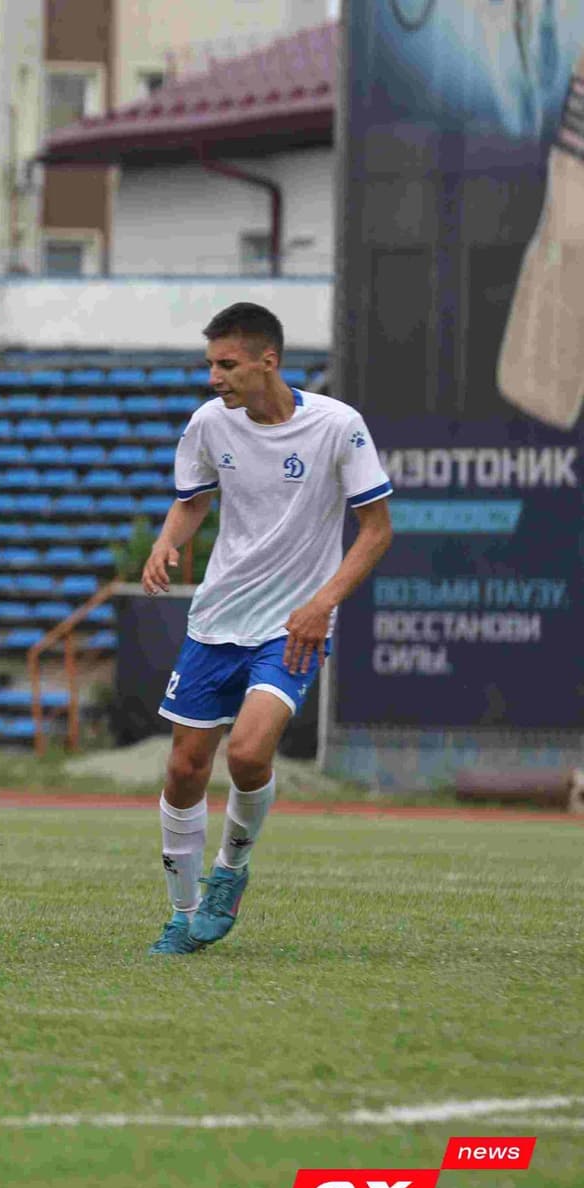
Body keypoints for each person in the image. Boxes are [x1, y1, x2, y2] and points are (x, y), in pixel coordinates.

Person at [140, 302, 393, 955]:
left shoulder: (337, 425)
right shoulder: (209, 423)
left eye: (226, 364)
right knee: (184, 768)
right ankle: (181, 915)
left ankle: (230, 871)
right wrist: (167, 542)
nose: (214, 378)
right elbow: (192, 500)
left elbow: (376, 530)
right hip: (217, 618)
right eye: (210, 364)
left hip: (292, 625)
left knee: (249, 754)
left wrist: (322, 603)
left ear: (268, 361)